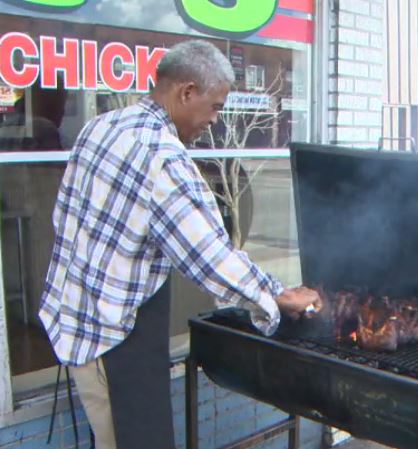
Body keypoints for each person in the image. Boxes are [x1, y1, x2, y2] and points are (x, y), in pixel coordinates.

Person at [38, 40, 321, 449]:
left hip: (76, 320)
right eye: (215, 106)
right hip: (112, 341)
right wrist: (277, 294)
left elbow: (63, 219)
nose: (215, 120)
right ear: (186, 92)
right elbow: (209, 257)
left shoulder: (102, 126)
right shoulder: (163, 156)